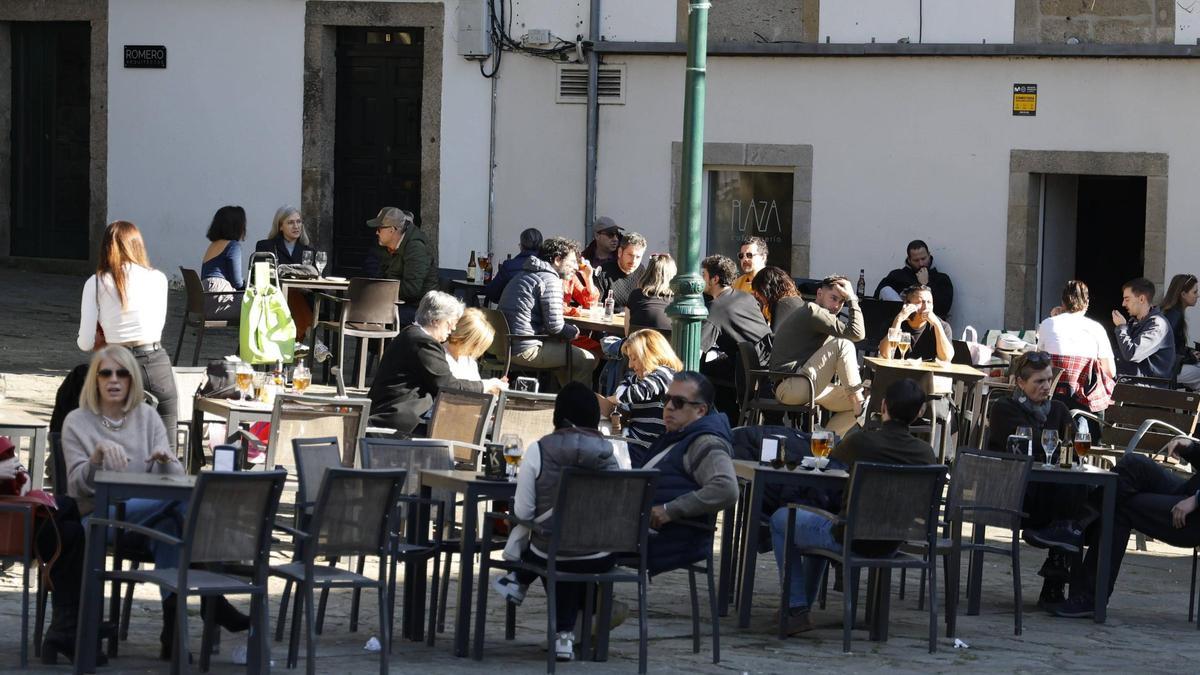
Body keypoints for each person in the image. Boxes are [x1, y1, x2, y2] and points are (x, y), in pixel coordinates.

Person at [61, 346, 248, 660]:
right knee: (181, 509)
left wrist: (166, 461)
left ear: (133, 379)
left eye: (122, 373)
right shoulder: (78, 422)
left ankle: (172, 636)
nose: (114, 380)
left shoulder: (146, 417)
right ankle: (213, 603)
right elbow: (77, 485)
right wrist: (95, 458)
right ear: (95, 380)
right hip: (97, 517)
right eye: (106, 373)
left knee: (173, 527)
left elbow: (173, 476)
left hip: (149, 518)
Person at [769, 379, 936, 635]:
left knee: (783, 519)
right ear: (920, 413)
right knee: (823, 523)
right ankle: (798, 607)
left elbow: (830, 462)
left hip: (851, 536)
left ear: (883, 405)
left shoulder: (863, 442)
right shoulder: (926, 454)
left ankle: (795, 608)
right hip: (893, 541)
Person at [492, 382, 620, 661]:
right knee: (572, 550)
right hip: (601, 553)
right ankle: (570, 628)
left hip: (553, 550)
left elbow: (524, 513)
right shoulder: (610, 451)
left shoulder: (540, 449)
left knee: (552, 547)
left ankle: (524, 586)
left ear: (558, 414)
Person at [1055, 436, 1200, 619]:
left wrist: (1196, 500)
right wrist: (1191, 448)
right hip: (1190, 490)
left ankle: (1090, 596)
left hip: (1195, 513)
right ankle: (1077, 525)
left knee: (1119, 507)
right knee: (1135, 464)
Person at [986, 351, 1084, 610]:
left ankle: (1060, 546)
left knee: (1084, 495)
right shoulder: (1004, 409)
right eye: (1038, 382)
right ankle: (1055, 581)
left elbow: (1071, 451)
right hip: (1018, 495)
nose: (1045, 387)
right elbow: (1024, 451)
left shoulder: (1060, 410)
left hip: (1051, 495)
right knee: (1074, 511)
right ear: (1020, 383)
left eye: (1049, 380)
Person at [76, 220, 178, 439]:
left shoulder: (96, 283)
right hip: (154, 363)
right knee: (168, 436)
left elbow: (85, 343)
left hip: (115, 364)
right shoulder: (158, 278)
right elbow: (156, 325)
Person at [635, 372, 738, 576]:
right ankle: (590, 603)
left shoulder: (705, 442)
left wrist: (669, 509)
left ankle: (587, 604)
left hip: (667, 538)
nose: (669, 407)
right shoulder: (679, 436)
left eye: (679, 402)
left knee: (575, 533)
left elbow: (727, 488)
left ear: (701, 411)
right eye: (666, 400)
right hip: (643, 530)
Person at [368, 292, 506, 434]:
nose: (452, 328)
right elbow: (448, 386)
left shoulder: (411, 334)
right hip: (397, 421)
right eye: (449, 323)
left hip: (399, 415)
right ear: (435, 320)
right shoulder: (423, 342)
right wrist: (487, 385)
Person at [769, 275, 865, 436]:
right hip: (790, 386)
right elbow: (857, 333)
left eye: (842, 302)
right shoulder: (813, 312)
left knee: (867, 402)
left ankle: (822, 443)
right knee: (844, 344)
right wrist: (852, 298)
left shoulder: (821, 315)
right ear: (819, 293)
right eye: (833, 298)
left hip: (803, 383)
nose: (836, 306)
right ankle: (858, 402)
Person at [498, 237, 597, 386]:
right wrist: (574, 331)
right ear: (557, 260)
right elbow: (556, 327)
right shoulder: (550, 280)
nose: (576, 267)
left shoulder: (525, 274)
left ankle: (565, 400)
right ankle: (577, 406)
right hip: (526, 349)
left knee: (567, 355)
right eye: (571, 262)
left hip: (506, 346)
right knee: (587, 358)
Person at [698, 255, 771, 421]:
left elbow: (697, 351)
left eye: (704, 275)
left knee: (705, 374)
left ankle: (728, 423)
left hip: (747, 373)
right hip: (767, 365)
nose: (702, 279)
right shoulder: (745, 297)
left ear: (715, 279)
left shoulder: (715, 309)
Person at [1038, 280, 1116, 413]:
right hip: (1083, 403)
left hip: (1049, 399)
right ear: (1087, 303)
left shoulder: (1047, 324)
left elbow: (1040, 359)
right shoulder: (1096, 328)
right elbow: (1110, 371)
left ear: (1063, 303)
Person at [608, 329, 682, 448]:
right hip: (636, 437)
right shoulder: (639, 378)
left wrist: (616, 398)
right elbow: (624, 385)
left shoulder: (664, 374)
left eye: (634, 358)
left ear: (651, 355)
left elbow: (637, 392)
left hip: (650, 445)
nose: (630, 365)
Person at [255, 205, 316, 339]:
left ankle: (297, 343)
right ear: (280, 226)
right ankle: (311, 338)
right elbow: (259, 277)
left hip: (303, 298)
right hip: (272, 298)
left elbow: (316, 281)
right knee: (292, 294)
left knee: (295, 294)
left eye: (299, 222)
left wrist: (308, 288)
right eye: (290, 222)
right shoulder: (265, 246)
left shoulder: (308, 251)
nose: (296, 226)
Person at [363, 206, 438, 311]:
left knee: (369, 311)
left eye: (379, 229)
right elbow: (379, 274)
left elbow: (412, 289)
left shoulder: (415, 247)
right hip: (395, 302)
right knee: (360, 306)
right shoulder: (387, 246)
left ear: (392, 230)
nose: (376, 233)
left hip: (419, 309)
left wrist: (380, 291)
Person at [1112, 277, 1175, 380]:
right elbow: (1122, 352)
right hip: (1130, 383)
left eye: (1127, 299)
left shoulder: (1158, 325)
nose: (1123, 304)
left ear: (1141, 299)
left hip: (1147, 389)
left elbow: (1132, 354)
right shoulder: (1136, 322)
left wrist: (1121, 328)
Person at [874, 239, 954, 318]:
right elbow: (877, 297)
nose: (921, 263)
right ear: (909, 260)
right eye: (916, 260)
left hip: (927, 323)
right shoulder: (897, 275)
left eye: (923, 259)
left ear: (929, 255)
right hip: (900, 321)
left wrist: (926, 285)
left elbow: (943, 309)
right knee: (886, 290)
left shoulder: (941, 278)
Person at [878, 284, 954, 361]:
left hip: (927, 372)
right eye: (920, 302)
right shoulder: (893, 324)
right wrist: (898, 320)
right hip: (897, 371)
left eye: (929, 302)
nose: (926, 307)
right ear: (907, 305)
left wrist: (937, 325)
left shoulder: (942, 326)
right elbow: (885, 354)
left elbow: (946, 358)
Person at [200, 205, 247, 320]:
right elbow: (237, 283)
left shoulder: (213, 245)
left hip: (205, 298)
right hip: (219, 299)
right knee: (259, 305)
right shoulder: (232, 246)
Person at [1161, 273, 1200, 389]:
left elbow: (1175, 345)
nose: (1197, 296)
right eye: (1195, 292)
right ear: (1183, 294)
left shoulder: (1172, 312)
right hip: (1167, 370)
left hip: (1168, 367)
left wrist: (1190, 353)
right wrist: (1191, 357)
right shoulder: (1175, 316)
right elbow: (1167, 349)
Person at [484, 227, 543, 305]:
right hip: (539, 316)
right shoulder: (548, 268)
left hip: (510, 314)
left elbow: (492, 293)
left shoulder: (509, 266)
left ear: (521, 246)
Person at [594, 231, 648, 312]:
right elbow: (595, 304)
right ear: (620, 252)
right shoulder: (603, 272)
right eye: (630, 255)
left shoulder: (642, 272)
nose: (633, 261)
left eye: (638, 257)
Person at [625, 253, 676, 331]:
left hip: (637, 342)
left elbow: (627, 331)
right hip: (666, 343)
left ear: (648, 272)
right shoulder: (677, 300)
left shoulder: (635, 295)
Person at [445, 307, 495, 381]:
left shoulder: (469, 361)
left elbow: (477, 386)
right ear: (463, 338)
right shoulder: (441, 357)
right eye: (475, 345)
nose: (477, 351)